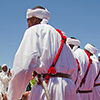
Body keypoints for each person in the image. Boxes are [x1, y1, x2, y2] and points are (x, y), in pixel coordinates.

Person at [5, 6, 78, 100]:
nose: (28, 24)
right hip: (68, 88)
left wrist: (12, 96)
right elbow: (74, 69)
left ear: (34, 19)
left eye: (28, 21)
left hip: (49, 87)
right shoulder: (60, 36)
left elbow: (22, 68)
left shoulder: (34, 30)